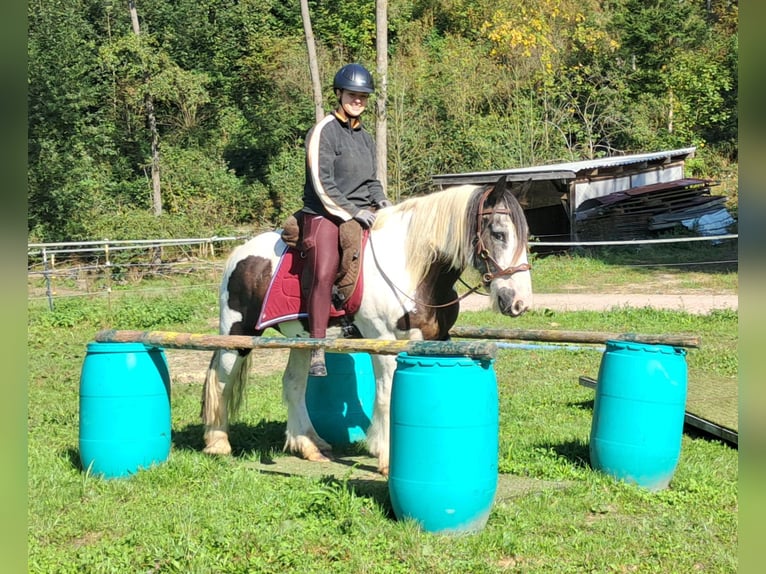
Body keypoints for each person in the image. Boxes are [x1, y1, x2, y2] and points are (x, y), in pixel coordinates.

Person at [300, 63, 391, 376]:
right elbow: (322, 182)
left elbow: (371, 180)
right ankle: (317, 346)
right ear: (339, 94)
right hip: (325, 213)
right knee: (325, 270)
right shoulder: (323, 131)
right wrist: (352, 212)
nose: (358, 101)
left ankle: (362, 321)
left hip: (362, 210)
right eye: (353, 95)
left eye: (363, 97)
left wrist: (381, 200)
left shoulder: (364, 138)